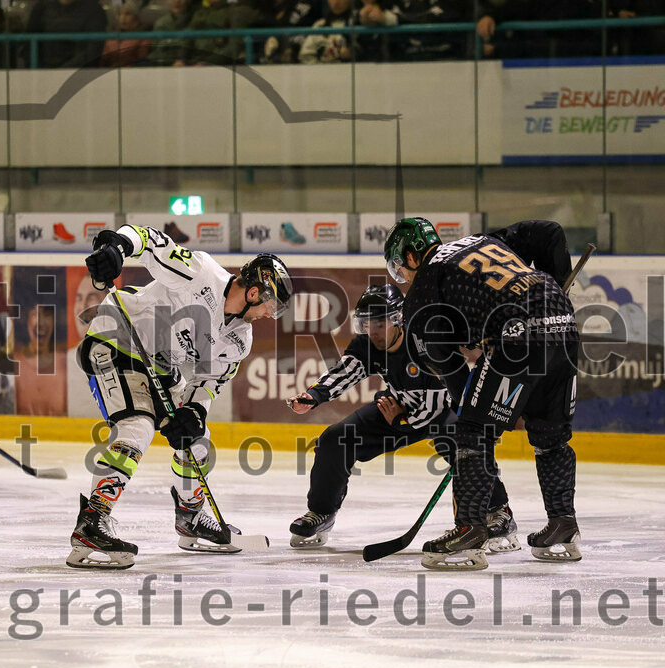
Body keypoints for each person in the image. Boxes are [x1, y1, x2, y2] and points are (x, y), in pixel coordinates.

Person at [67, 224, 293, 570]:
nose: (267, 315)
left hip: (158, 366)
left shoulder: (240, 340)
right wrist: (119, 245)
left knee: (198, 441)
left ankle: (190, 516)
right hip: (117, 338)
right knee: (137, 428)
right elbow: (153, 242)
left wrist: (194, 412)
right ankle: (91, 522)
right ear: (253, 293)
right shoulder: (201, 273)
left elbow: (209, 382)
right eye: (269, 305)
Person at [384, 218, 580, 570]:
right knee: (551, 436)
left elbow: (452, 373)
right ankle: (563, 525)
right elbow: (550, 231)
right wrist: (554, 285)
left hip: (517, 333)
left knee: (471, 433)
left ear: (413, 257)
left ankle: (471, 530)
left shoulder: (423, 288)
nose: (403, 280)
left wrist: (473, 418)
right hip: (562, 319)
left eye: (400, 270)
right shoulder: (481, 240)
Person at [286, 284, 517, 551]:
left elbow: (434, 407)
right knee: (335, 439)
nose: (371, 332)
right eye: (365, 325)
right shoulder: (369, 344)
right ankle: (321, 512)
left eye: (378, 324)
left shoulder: (426, 343)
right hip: (399, 407)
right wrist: (315, 395)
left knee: (466, 447)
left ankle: (499, 512)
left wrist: (401, 422)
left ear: (397, 319)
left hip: (444, 412)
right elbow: (346, 371)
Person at [26, 0, 107, 69]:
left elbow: (93, 51)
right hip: (43, 74)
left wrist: (59, 73)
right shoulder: (41, 8)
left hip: (79, 75)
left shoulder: (94, 10)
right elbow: (28, 46)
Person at [101, 3, 150, 68]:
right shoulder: (111, 37)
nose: (122, 18)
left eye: (127, 14)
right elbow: (103, 61)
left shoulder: (143, 37)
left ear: (136, 17)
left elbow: (142, 61)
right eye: (119, 14)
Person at [147, 0, 193, 66]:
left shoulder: (194, 21)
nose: (177, 1)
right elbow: (159, 49)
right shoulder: (161, 23)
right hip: (162, 63)